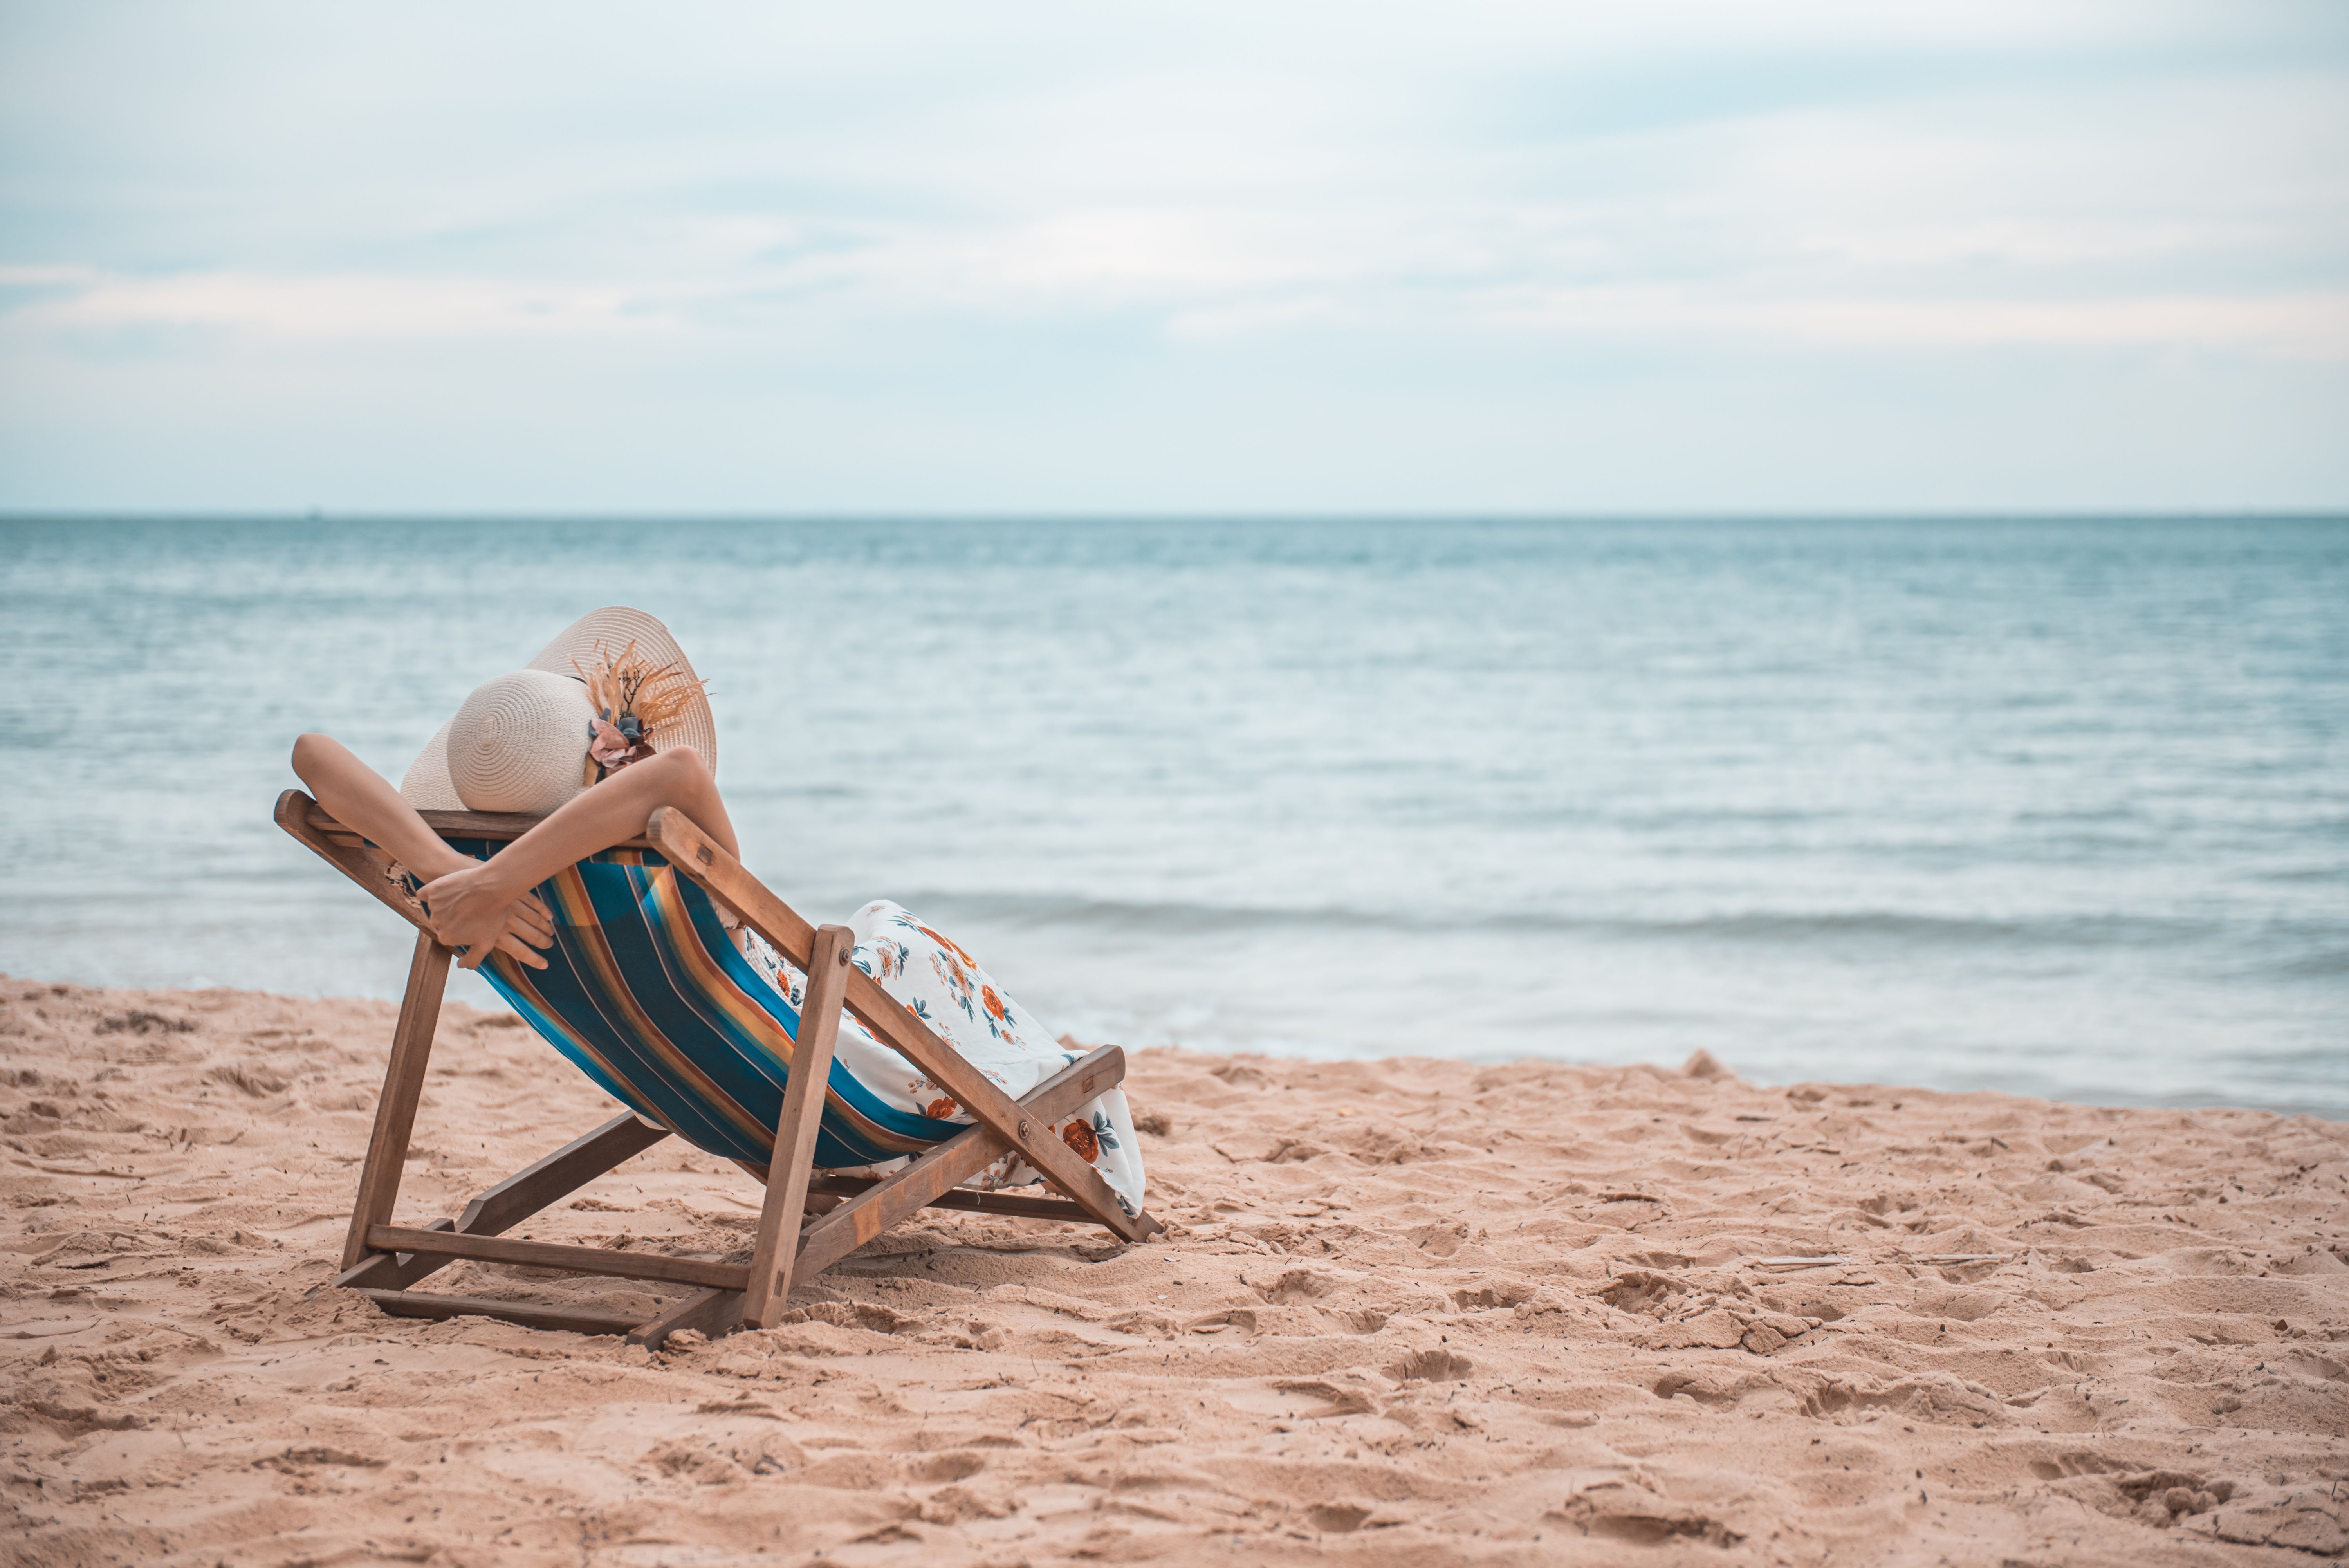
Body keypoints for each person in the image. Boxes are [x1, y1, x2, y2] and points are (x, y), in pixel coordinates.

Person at [290, 606, 1146, 1215]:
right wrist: (480, 882)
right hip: (829, 1067)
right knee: (893, 932)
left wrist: (460, 872)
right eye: (611, 737)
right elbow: (683, 782)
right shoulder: (646, 856)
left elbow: (310, 758)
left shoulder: (468, 883)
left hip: (700, 1082)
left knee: (882, 932)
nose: (628, 742)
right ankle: (1049, 1076)